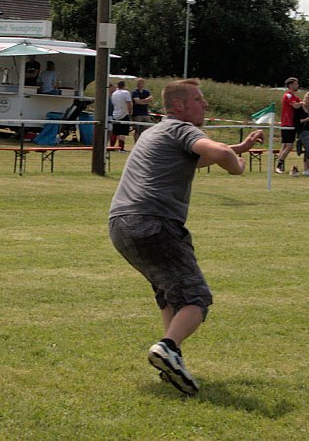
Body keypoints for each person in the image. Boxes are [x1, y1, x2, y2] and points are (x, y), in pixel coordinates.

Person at [108, 78, 264, 395]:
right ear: (180, 106)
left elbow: (199, 158)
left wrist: (239, 148)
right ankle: (167, 346)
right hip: (154, 222)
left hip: (121, 224)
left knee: (170, 293)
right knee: (196, 298)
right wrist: (236, 164)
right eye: (199, 99)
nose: (205, 104)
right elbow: (215, 151)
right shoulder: (182, 129)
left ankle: (171, 360)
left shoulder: (155, 132)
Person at [275, 77, 302, 173]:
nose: (297, 85)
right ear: (290, 85)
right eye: (296, 83)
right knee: (289, 146)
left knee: (285, 145)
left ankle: (278, 166)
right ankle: (279, 164)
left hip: (292, 123)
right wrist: (305, 103)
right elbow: (295, 105)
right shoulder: (288, 95)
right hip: (287, 123)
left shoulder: (295, 97)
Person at [294, 92, 309, 176]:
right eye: (308, 102)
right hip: (303, 132)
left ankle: (307, 169)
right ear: (304, 100)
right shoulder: (299, 110)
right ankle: (308, 168)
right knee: (308, 150)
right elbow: (296, 121)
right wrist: (304, 120)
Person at [109, 80, 133, 151]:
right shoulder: (126, 93)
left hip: (115, 113)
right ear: (124, 86)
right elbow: (129, 103)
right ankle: (121, 148)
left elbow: (113, 104)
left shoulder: (114, 94)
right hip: (124, 114)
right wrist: (130, 111)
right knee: (122, 132)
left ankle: (112, 146)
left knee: (115, 131)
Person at [131, 78, 154, 142]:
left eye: (141, 83)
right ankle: (136, 143)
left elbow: (151, 100)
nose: (139, 84)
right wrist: (145, 101)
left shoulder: (147, 92)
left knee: (147, 129)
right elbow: (137, 101)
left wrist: (142, 101)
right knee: (137, 130)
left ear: (143, 84)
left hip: (145, 114)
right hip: (137, 114)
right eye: (138, 83)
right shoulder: (134, 92)